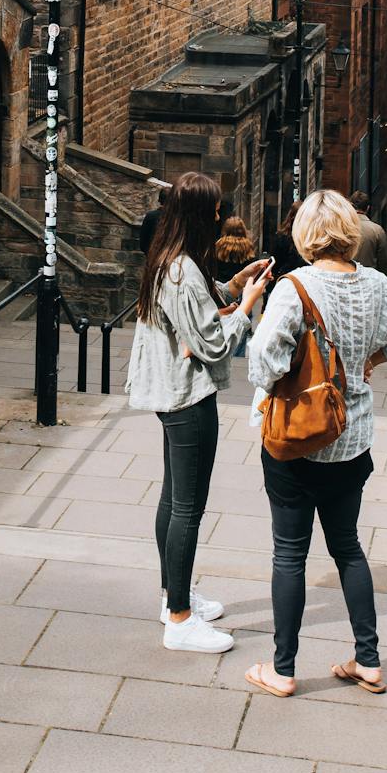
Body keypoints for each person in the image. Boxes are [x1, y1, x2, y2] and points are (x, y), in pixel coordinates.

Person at [245, 188, 387, 698]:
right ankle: (368, 662)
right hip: (351, 441)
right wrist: (374, 361)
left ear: (305, 236)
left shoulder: (293, 287)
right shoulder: (375, 285)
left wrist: (281, 376)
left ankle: (282, 670)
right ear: (351, 233)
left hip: (295, 441)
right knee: (348, 547)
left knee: (289, 553)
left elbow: (263, 362)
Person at [127, 171, 273, 652]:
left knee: (173, 499)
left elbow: (198, 310)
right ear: (198, 215)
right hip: (187, 399)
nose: (220, 217)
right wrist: (249, 306)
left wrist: (233, 285)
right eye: (214, 211)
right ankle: (180, 620)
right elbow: (211, 343)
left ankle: (175, 594)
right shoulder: (181, 272)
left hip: (173, 395)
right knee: (187, 508)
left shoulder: (170, 259)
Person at [350, 191, 387, 277]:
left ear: (350, 206)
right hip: (367, 277)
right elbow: (383, 261)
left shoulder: (340, 227)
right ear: (368, 208)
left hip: (342, 277)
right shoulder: (377, 230)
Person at [215, 209, 258, 284]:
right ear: (243, 230)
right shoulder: (248, 247)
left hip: (220, 285)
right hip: (240, 286)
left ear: (225, 230)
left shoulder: (218, 245)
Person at [269, 202, 306, 283]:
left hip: (284, 279)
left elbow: (274, 263)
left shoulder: (282, 237)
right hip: (299, 280)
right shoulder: (307, 237)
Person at [139, 185, 168, 255]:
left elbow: (143, 242)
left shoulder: (151, 216)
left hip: (152, 256)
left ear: (159, 200)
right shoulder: (177, 218)